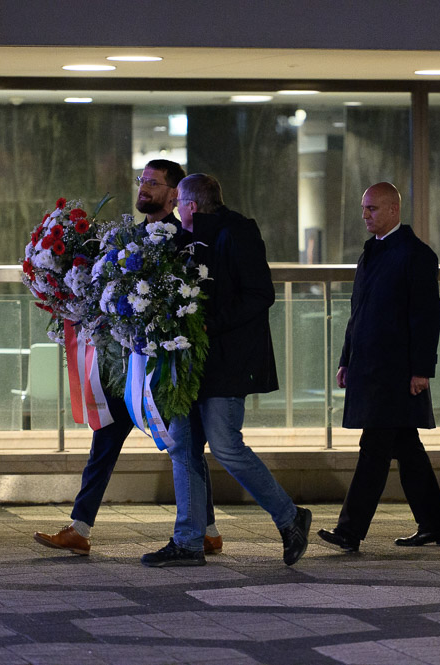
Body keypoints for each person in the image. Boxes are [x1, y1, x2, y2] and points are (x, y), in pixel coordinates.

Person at [33, 160, 223, 556]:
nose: (144, 187)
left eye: (153, 182)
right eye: (142, 180)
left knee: (184, 447)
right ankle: (79, 528)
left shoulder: (184, 240)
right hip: (124, 366)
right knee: (105, 440)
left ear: (174, 195)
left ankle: (207, 530)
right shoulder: (125, 239)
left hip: (163, 369)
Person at [141, 173, 312, 566]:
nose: (174, 210)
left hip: (227, 361)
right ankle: (188, 541)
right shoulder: (184, 239)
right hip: (189, 362)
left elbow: (261, 294)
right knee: (183, 447)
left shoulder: (237, 232)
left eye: (178, 203)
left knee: (225, 446)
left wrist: (209, 325)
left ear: (191, 206)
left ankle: (290, 517)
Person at [317, 182, 440, 554]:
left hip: (396, 372)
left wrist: (422, 369)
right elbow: (357, 313)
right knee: (407, 449)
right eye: (364, 208)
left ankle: (350, 530)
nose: (365, 215)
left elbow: (427, 316)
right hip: (372, 369)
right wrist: (346, 360)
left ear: (394, 209)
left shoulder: (415, 254)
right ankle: (435, 524)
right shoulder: (371, 252)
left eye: (372, 208)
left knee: (374, 448)